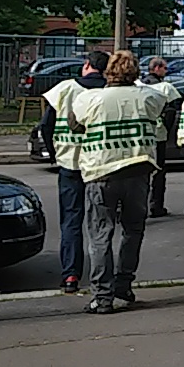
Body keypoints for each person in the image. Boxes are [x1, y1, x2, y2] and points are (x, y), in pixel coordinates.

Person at [70, 51, 165, 315]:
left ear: (108, 71)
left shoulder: (90, 99)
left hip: (101, 173)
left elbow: (74, 125)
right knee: (133, 231)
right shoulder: (149, 96)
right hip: (138, 171)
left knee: (100, 235)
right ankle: (124, 284)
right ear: (135, 71)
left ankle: (102, 296)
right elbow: (164, 110)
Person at [39, 49, 108, 294]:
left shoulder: (65, 88)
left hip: (69, 163)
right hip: (100, 165)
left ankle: (71, 275)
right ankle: (103, 276)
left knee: (71, 221)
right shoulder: (109, 90)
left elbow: (46, 125)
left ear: (87, 64)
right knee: (100, 223)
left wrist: (54, 153)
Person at [141, 56, 182, 217]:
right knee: (158, 172)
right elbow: (173, 110)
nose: (166, 71)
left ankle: (140, 206)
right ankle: (156, 206)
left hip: (143, 135)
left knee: (142, 173)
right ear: (157, 68)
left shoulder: (139, 85)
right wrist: (166, 127)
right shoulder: (166, 88)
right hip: (159, 135)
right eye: (164, 68)